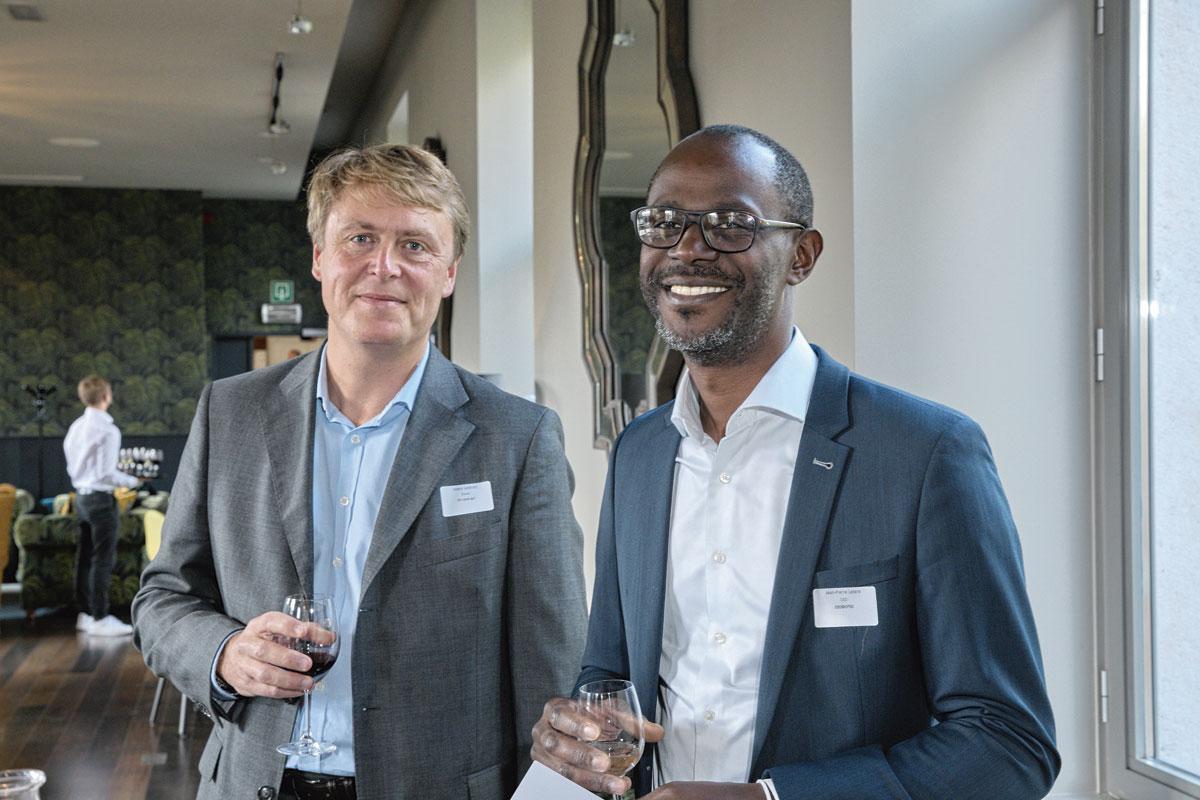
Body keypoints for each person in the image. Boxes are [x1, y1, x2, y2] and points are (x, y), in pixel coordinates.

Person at [532, 125, 1059, 799]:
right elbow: (608, 666)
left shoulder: (925, 454)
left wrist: (771, 799)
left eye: (730, 224)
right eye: (664, 222)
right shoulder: (640, 452)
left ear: (802, 255)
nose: (687, 249)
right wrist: (579, 729)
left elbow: (1008, 745)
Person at [133, 144, 588, 800]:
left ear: (450, 272)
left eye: (415, 245)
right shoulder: (229, 413)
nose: (384, 267)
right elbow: (161, 600)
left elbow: (552, 671)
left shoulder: (517, 438)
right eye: (360, 238)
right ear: (319, 257)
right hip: (255, 783)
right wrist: (225, 655)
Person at [63, 374, 140, 636]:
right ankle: (100, 616)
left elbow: (73, 467)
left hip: (81, 498)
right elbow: (108, 474)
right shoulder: (108, 430)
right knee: (102, 559)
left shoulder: (76, 427)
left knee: (84, 558)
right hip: (100, 500)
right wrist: (134, 481)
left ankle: (85, 613)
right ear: (106, 396)